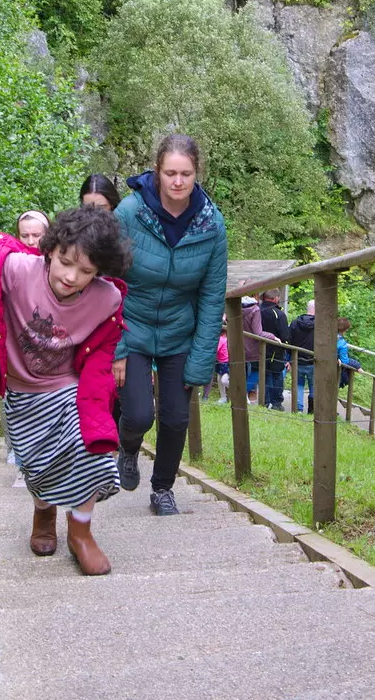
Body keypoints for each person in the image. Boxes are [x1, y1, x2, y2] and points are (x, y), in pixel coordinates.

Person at [0, 207, 131, 575]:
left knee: (92, 453)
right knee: (36, 466)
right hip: (21, 391)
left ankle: (81, 532)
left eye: (86, 272)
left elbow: (101, 357)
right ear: (50, 249)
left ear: (99, 272)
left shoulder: (105, 300)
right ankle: (44, 511)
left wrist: (98, 414)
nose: (71, 276)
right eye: (65, 262)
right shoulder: (17, 270)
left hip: (67, 389)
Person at [112, 134, 229, 516]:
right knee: (140, 415)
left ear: (197, 174)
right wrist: (117, 348)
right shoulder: (129, 213)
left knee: (176, 418)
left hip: (181, 329)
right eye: (170, 173)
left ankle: (162, 488)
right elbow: (104, 284)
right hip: (132, 327)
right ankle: (128, 447)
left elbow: (213, 296)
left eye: (186, 174)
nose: (177, 182)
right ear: (157, 171)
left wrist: (202, 359)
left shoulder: (212, 225)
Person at [258, 290, 290, 409]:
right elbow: (285, 335)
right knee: (276, 376)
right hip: (275, 351)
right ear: (276, 298)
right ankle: (276, 403)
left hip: (258, 349)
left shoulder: (257, 310)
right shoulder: (278, 314)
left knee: (263, 375)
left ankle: (264, 401)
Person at [287, 300, 316, 413]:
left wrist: (289, 359)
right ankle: (312, 410)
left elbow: (289, 340)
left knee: (299, 384)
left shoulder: (295, 323)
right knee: (314, 385)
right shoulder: (320, 325)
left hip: (297, 359)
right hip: (314, 361)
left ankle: (298, 409)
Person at [240, 295, 264, 403]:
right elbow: (257, 332)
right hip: (253, 347)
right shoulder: (255, 309)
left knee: (241, 372)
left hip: (239, 346)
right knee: (257, 371)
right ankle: (241, 392)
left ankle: (241, 393)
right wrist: (273, 337)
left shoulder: (237, 307)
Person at [338, 317, 360, 390]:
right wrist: (357, 365)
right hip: (335, 371)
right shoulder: (342, 343)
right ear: (345, 329)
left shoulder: (326, 336)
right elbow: (345, 361)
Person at [214, 322, 230, 403]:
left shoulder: (221, 339)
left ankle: (238, 391)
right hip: (220, 362)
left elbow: (215, 350)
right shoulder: (222, 338)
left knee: (224, 380)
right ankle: (223, 397)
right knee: (219, 379)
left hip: (226, 363)